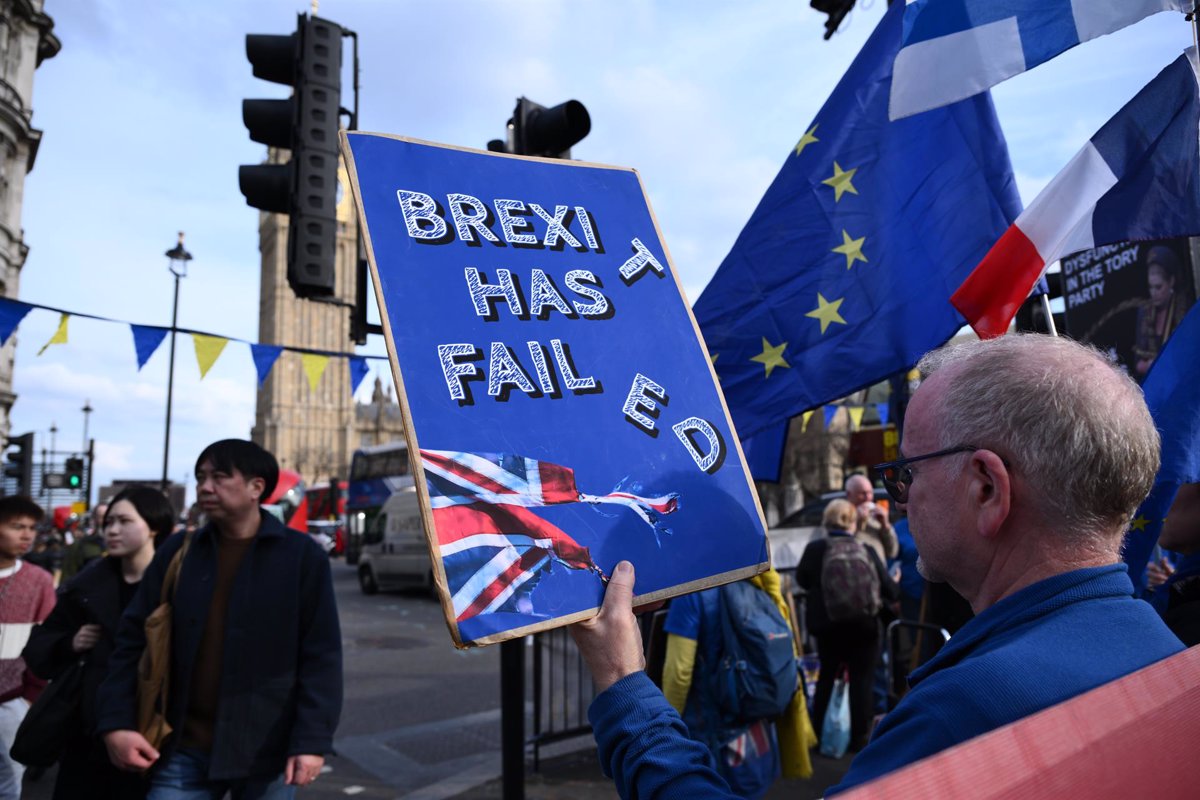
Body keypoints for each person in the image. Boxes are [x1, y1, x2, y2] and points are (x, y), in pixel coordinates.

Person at [570, 334, 1186, 798]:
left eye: (907, 471)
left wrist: (626, 690)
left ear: (986, 491)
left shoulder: (967, 712)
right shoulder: (1171, 652)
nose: (900, 496)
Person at [96, 440, 343, 799]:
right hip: (181, 747)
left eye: (219, 477)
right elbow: (132, 641)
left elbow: (321, 657)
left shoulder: (302, 556)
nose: (205, 487)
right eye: (200, 477)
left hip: (267, 753)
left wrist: (312, 741)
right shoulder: (179, 551)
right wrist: (116, 723)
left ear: (257, 487)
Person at [23, 487, 174, 799]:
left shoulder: (176, 587)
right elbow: (38, 651)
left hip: (155, 735)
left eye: (124, 521)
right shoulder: (86, 587)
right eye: (109, 523)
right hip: (86, 736)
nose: (113, 530)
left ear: (153, 526)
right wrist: (70, 643)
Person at [661, 569, 810, 798]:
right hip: (753, 725)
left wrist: (667, 730)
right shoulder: (757, 578)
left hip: (710, 732)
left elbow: (678, 672)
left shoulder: (691, 593)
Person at [796, 499, 898, 752]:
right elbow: (891, 591)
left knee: (827, 678)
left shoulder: (815, 549)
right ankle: (859, 739)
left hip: (828, 626)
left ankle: (819, 734)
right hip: (865, 627)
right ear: (854, 523)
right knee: (863, 682)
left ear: (826, 522)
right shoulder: (866, 550)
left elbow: (802, 580)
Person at [0, 496, 55, 800]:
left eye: (32, 527)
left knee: (10, 780)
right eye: (16, 526)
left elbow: (47, 644)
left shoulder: (39, 581)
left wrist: (29, 698)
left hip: (13, 701)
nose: (27, 535)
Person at [1133, 245, 1190, 378]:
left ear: (1171, 281)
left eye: (1158, 287)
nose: (1154, 293)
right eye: (1151, 287)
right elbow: (1137, 362)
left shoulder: (1184, 307)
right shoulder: (1144, 312)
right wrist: (1151, 365)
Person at [844, 474, 897, 565]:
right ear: (849, 494)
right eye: (863, 493)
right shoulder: (840, 516)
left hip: (878, 575)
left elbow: (892, 552)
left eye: (870, 492)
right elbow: (839, 546)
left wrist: (885, 525)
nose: (868, 497)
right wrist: (856, 520)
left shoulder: (875, 517)